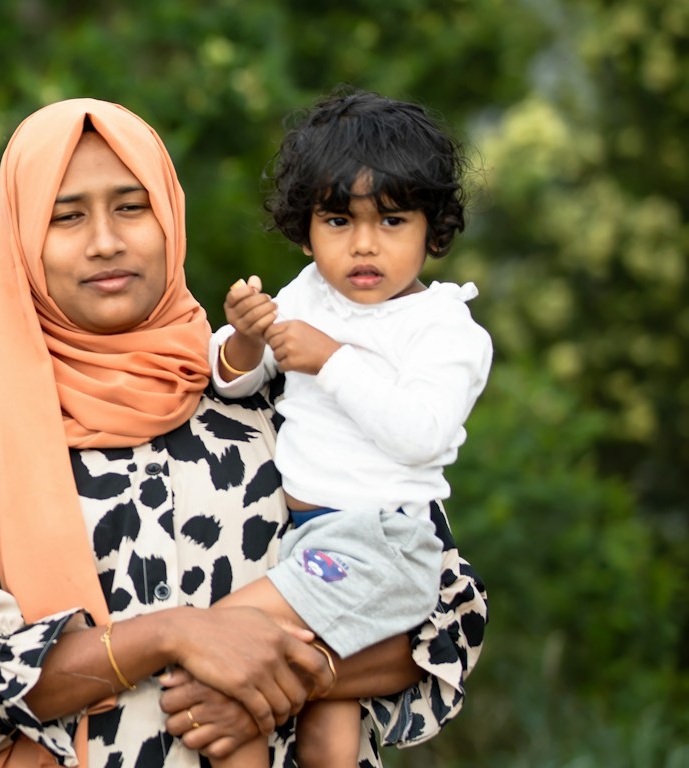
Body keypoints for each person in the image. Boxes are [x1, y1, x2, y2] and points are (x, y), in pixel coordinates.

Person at [0, 99, 488, 767]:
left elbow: (442, 619)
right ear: (22, 237)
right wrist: (173, 636)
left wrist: (283, 681)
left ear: (170, 216)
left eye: (131, 207)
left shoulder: (273, 387)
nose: (105, 241)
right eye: (67, 215)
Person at [207, 88, 491, 768]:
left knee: (223, 642)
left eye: (392, 220)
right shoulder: (309, 293)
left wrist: (332, 361)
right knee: (326, 732)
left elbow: (421, 433)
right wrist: (245, 339)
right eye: (338, 220)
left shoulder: (444, 329)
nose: (364, 244)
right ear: (306, 231)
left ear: (433, 229)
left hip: (379, 543)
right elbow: (235, 381)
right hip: (312, 540)